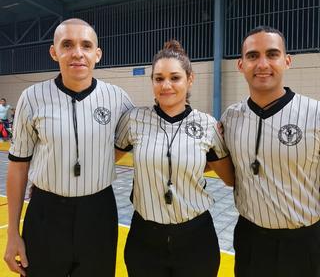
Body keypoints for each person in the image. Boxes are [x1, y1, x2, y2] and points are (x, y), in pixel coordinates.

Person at [4, 18, 134, 277]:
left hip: (98, 213)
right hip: (46, 213)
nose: (77, 53)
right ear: (54, 52)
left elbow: (137, 136)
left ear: (97, 54)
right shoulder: (32, 97)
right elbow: (18, 167)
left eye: (86, 45)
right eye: (67, 45)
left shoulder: (118, 98)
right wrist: (12, 233)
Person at [115, 40, 235, 277]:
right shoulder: (133, 120)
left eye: (175, 77)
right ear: (152, 82)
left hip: (196, 238)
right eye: (159, 78)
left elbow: (230, 178)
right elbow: (103, 160)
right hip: (145, 238)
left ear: (190, 79)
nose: (166, 85)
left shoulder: (207, 125)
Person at [220, 26, 320, 277]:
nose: (262, 63)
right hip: (251, 239)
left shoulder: (315, 114)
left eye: (272, 54)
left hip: (305, 242)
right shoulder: (230, 118)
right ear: (241, 65)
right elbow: (231, 176)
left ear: (286, 61)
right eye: (253, 56)